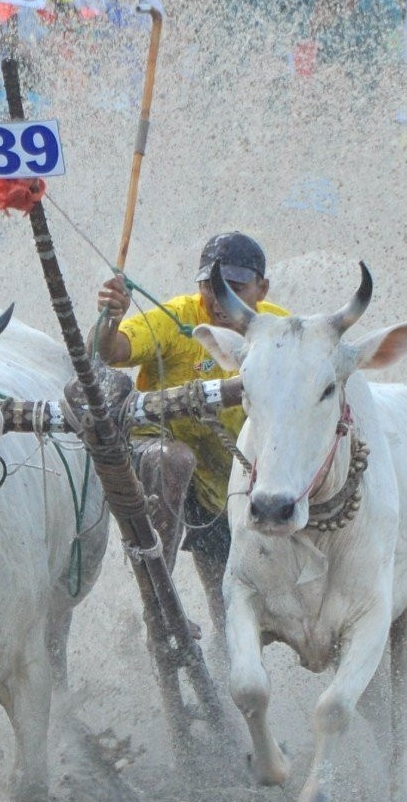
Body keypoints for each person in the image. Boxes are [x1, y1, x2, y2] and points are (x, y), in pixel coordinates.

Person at [92, 232, 290, 624]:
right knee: (175, 459)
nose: (219, 301)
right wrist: (111, 318)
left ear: (262, 289)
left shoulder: (282, 331)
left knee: (228, 607)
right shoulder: (176, 318)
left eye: (235, 288)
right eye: (210, 287)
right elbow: (110, 351)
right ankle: (159, 602)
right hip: (157, 458)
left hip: (227, 476)